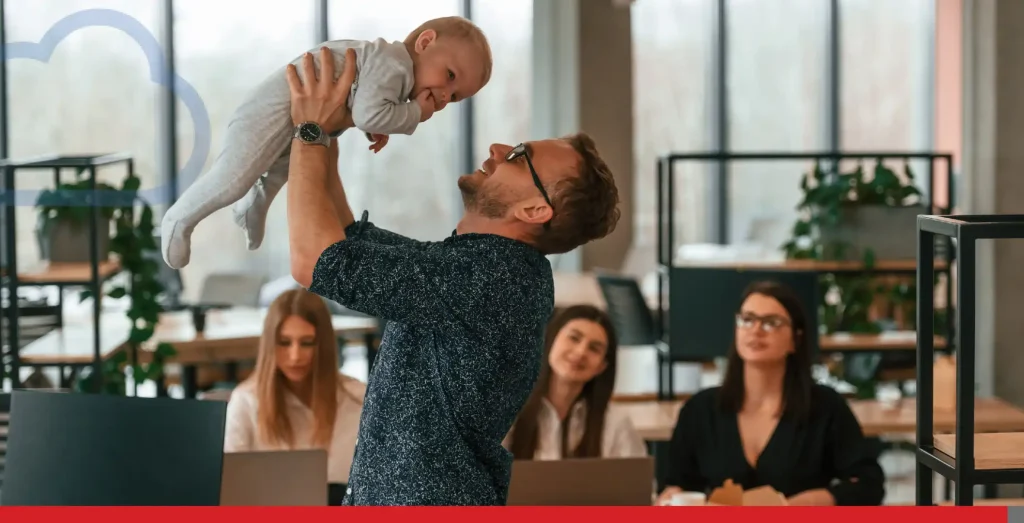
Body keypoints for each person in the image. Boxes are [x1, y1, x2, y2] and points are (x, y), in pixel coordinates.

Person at [282, 47, 621, 505]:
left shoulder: (496, 277)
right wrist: (332, 131)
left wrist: (311, 132)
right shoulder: (478, 265)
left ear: (535, 209)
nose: (500, 149)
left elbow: (313, 261)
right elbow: (347, 240)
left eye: (520, 156)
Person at [160, 16, 493, 269]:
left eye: (456, 97)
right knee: (233, 179)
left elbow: (357, 105)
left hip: (293, 118)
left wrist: (376, 121)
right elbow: (367, 113)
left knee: (278, 172)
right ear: (425, 42)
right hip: (270, 110)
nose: (445, 95)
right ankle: (179, 219)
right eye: (449, 76)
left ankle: (251, 208)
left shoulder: (389, 68)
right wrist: (413, 114)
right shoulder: (394, 63)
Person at [654, 281, 885, 506]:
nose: (755, 330)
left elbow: (868, 484)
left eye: (771, 322)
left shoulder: (825, 407)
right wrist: (670, 497)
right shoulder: (700, 409)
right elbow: (677, 484)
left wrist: (811, 502)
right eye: (747, 320)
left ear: (796, 338)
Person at [223, 289, 365, 486]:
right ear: (270, 345)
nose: (295, 356)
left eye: (307, 343)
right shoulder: (246, 402)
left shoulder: (358, 399)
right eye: (284, 342)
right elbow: (230, 487)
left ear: (323, 345)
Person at [506, 305, 647, 460]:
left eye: (594, 348)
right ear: (550, 340)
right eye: (574, 338)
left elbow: (636, 482)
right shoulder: (506, 412)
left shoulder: (615, 423)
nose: (581, 352)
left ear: (602, 367)